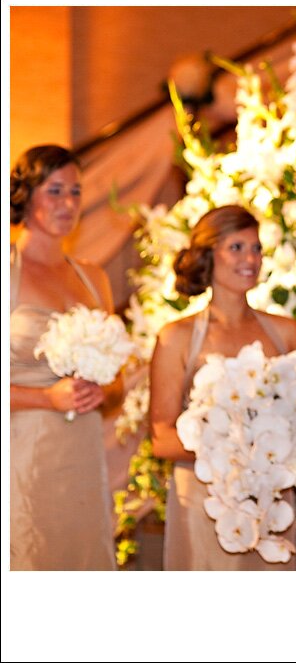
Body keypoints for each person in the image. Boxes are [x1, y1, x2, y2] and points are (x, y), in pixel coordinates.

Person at [150, 205, 296, 570]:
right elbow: (161, 436)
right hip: (204, 500)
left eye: (256, 248)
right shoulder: (177, 338)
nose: (250, 258)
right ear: (208, 255)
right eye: (236, 247)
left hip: (272, 499)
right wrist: (233, 454)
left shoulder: (286, 333)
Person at [10, 144, 119, 570]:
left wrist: (99, 389)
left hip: (83, 454)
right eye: (55, 191)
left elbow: (118, 384)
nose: (68, 203)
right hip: (22, 451)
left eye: (75, 191)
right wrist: (47, 399)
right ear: (26, 196)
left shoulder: (92, 277)